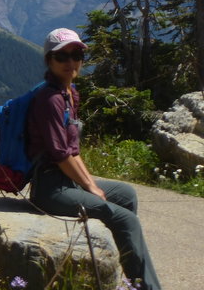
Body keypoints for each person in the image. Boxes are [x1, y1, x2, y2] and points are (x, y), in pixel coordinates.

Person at [27, 28, 162, 290]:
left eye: (76, 55)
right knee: (126, 219)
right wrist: (91, 187)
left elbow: (74, 151)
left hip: (67, 182)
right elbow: (60, 155)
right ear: (49, 60)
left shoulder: (70, 94)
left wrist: (92, 184)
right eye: (62, 56)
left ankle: (123, 270)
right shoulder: (50, 100)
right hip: (50, 188)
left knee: (126, 194)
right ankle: (146, 287)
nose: (71, 62)